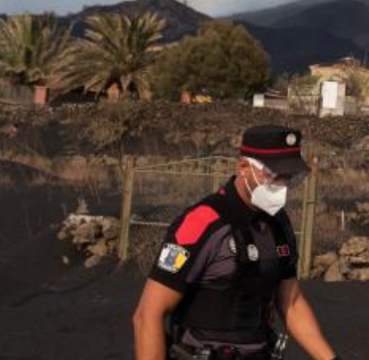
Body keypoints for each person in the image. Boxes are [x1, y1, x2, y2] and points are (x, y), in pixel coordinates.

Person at [132, 125, 342, 360]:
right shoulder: (203, 223)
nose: (282, 185)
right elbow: (147, 315)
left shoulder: (279, 225)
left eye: (289, 177)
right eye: (274, 175)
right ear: (244, 167)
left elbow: (291, 303)